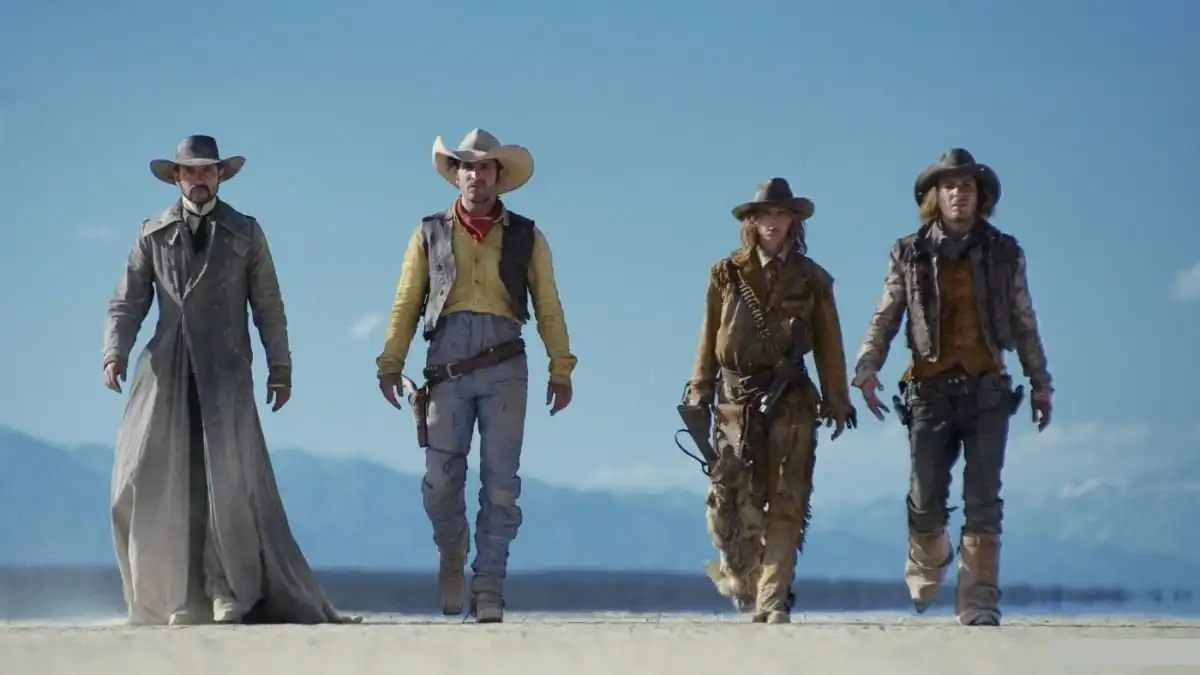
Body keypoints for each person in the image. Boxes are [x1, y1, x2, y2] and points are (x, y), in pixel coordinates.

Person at [102, 135, 359, 626]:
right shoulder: (152, 233)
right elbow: (127, 301)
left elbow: (268, 306)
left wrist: (280, 368)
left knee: (228, 482)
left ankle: (227, 592)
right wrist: (114, 351)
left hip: (225, 371)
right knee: (151, 478)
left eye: (207, 170)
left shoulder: (245, 232)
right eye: (190, 171)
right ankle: (175, 598)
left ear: (220, 175)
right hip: (166, 372)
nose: (199, 179)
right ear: (176, 177)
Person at [376, 128, 577, 623]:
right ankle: (451, 549)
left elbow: (548, 304)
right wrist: (390, 362)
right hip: (446, 364)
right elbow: (407, 300)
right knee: (439, 482)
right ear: (455, 175)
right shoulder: (428, 232)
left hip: (506, 362)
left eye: (484, 167)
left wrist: (561, 367)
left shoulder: (528, 235)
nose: (475, 175)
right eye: (467, 167)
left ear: (498, 176)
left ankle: (489, 587)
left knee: (501, 484)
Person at [852, 148, 1054, 626]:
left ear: (980, 197)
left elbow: (1024, 319)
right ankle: (930, 557)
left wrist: (1040, 382)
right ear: (935, 197)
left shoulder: (1005, 252)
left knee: (984, 501)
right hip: (929, 391)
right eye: (949, 186)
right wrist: (867, 366)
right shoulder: (909, 251)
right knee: (925, 499)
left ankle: (979, 601)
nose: (959, 194)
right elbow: (886, 313)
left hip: (988, 390)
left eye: (967, 186)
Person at [684, 178, 857, 624]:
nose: (773, 222)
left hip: (791, 398)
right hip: (734, 399)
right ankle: (744, 579)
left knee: (788, 497)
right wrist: (700, 389)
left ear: (794, 222)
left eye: (782, 214)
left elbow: (829, 343)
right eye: (765, 214)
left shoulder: (813, 279)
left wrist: (837, 398)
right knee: (728, 499)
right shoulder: (726, 274)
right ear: (751, 222)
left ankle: (773, 597)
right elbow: (708, 334)